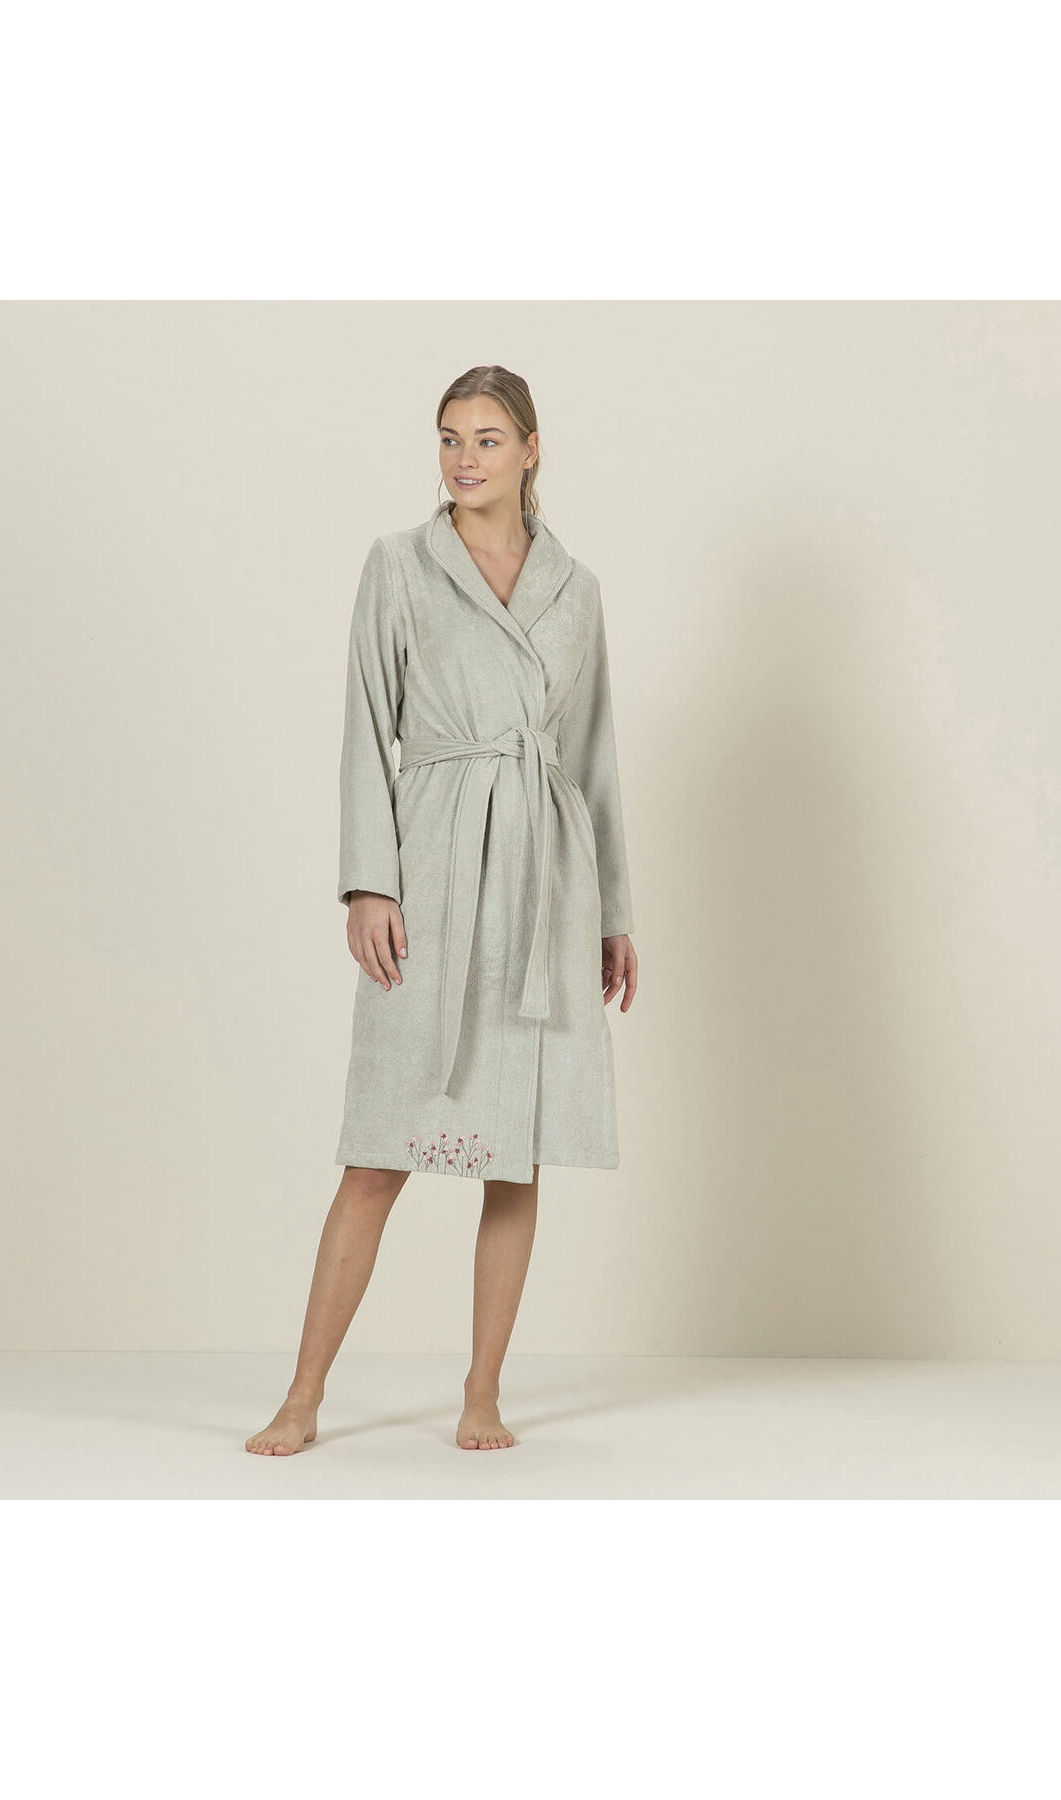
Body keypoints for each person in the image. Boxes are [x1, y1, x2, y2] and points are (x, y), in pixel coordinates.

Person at [246, 365, 638, 1456]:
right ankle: (303, 1396)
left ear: (531, 450)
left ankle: (482, 1392)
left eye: (488, 439)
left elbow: (593, 754)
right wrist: (370, 880)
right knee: (379, 1150)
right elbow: (364, 723)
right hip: (434, 862)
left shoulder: (574, 587)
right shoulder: (400, 566)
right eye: (451, 439)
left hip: (543, 882)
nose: (466, 458)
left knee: (515, 1154)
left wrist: (612, 913)